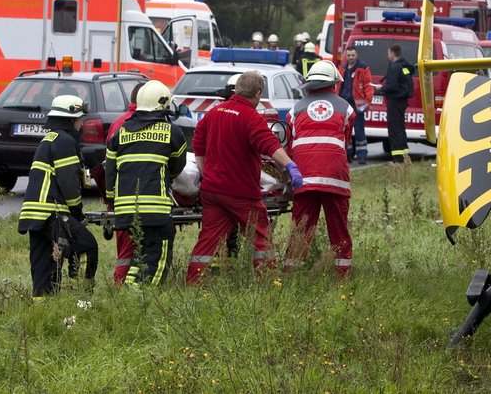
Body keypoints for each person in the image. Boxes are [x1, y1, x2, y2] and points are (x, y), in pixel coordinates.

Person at [185, 70, 304, 284]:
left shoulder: (214, 113)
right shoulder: (251, 117)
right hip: (240, 193)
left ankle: (193, 281)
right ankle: (268, 281)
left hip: (212, 191)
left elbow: (198, 146)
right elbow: (269, 145)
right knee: (261, 237)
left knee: (208, 240)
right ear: (258, 93)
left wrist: (206, 174)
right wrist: (290, 165)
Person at [105, 80, 187, 287]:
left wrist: (111, 199)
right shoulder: (171, 132)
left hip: (124, 208)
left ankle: (130, 291)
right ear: (162, 104)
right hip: (155, 208)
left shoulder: (120, 132)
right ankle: (143, 295)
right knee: (160, 254)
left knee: (141, 252)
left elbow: (109, 170)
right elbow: (178, 166)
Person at [17, 95, 99, 297]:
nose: (82, 125)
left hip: (33, 214)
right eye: (80, 120)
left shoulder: (50, 139)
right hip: (51, 211)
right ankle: (82, 298)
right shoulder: (64, 140)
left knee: (44, 267)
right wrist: (77, 212)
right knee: (87, 247)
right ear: (71, 120)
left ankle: (42, 308)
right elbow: (69, 182)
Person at [284, 61, 355, 277]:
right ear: (334, 84)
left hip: (304, 177)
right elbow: (346, 142)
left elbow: (289, 146)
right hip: (335, 177)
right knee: (339, 229)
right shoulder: (347, 108)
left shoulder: (294, 110)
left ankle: (290, 276)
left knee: (301, 229)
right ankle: (342, 276)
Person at [97, 81, 146, 286]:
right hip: (137, 194)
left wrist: (110, 198)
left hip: (121, 195)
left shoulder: (120, 122)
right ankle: (121, 285)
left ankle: (129, 282)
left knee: (128, 245)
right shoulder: (138, 122)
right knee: (132, 247)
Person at [377, 44, 414, 164]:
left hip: (394, 101)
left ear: (392, 53)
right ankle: (404, 156)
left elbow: (391, 85)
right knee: (400, 129)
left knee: (394, 130)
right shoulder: (404, 66)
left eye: (388, 53)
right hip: (402, 101)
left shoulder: (395, 67)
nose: (388, 56)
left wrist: (379, 89)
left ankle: (397, 159)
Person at [338, 46, 374, 165]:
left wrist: (368, 102)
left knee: (359, 131)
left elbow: (368, 86)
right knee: (345, 130)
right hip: (344, 103)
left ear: (356, 55)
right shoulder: (342, 68)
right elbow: (338, 86)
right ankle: (347, 155)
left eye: (353, 55)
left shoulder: (363, 68)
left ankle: (362, 155)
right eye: (348, 55)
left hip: (357, 105)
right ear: (346, 55)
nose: (351, 57)